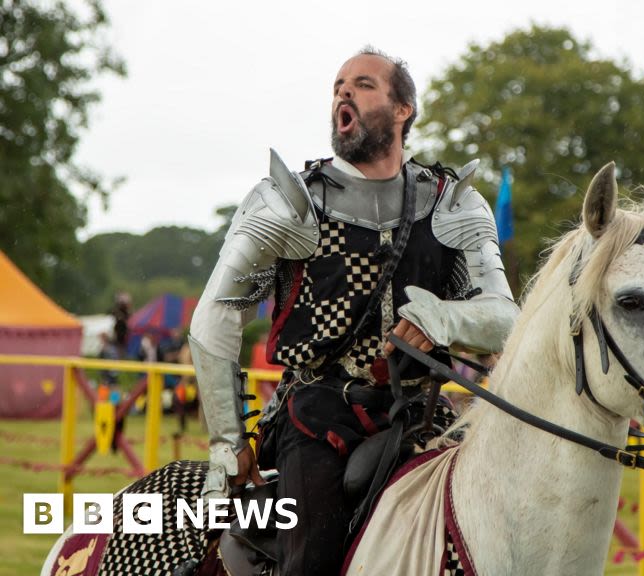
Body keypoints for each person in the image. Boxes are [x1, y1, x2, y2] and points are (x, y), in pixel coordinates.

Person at [189, 48, 519, 576]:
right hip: (317, 418)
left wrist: (444, 318)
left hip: (420, 412)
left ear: (403, 109)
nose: (344, 92)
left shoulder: (451, 203)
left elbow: (505, 316)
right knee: (312, 561)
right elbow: (215, 317)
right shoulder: (288, 203)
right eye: (339, 85)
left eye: (363, 84)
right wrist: (229, 444)